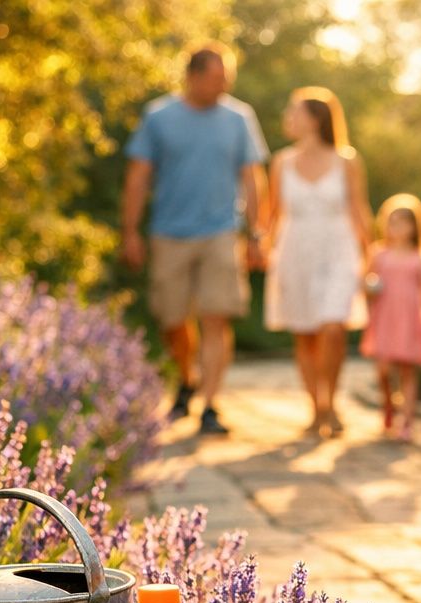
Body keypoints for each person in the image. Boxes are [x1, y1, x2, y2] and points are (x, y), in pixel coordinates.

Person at [122, 45, 269, 436]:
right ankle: (187, 377)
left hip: (221, 231)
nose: (224, 86)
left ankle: (210, 403)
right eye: (217, 78)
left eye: (228, 80)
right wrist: (130, 232)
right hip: (169, 232)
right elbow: (138, 177)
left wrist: (256, 233)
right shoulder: (159, 117)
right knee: (172, 319)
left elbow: (253, 177)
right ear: (193, 76)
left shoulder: (239, 118)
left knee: (216, 316)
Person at [262, 87, 371, 438]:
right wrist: (258, 247)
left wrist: (370, 255)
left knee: (333, 327)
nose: (287, 118)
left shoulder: (347, 160)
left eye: (293, 111)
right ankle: (316, 408)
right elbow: (271, 214)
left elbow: (359, 209)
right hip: (295, 250)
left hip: (338, 248)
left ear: (314, 119)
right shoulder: (281, 162)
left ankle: (331, 401)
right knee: (305, 333)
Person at [360, 194, 421, 442]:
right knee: (383, 370)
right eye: (393, 222)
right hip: (385, 319)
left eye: (404, 222)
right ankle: (389, 406)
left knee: (408, 372)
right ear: (385, 225)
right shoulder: (378, 254)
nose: (398, 228)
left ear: (416, 227)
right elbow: (365, 283)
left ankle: (407, 423)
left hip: (410, 321)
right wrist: (368, 288)